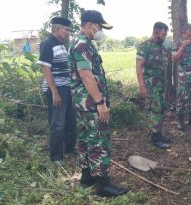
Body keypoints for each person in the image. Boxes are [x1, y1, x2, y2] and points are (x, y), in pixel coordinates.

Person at [68, 10, 127, 197]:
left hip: (83, 103)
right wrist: (100, 102)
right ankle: (103, 185)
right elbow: (86, 75)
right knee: (100, 141)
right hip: (91, 103)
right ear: (90, 24)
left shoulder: (80, 42)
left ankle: (86, 177)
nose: (100, 30)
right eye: (99, 26)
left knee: (86, 139)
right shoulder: (82, 44)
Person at [38, 17, 76, 164]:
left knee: (70, 121)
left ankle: (69, 149)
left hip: (66, 88)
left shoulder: (61, 44)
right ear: (56, 29)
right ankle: (56, 157)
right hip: (56, 89)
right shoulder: (48, 44)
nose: (68, 33)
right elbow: (46, 69)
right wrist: (55, 92)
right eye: (66, 30)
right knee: (57, 123)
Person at [136, 22, 171, 149]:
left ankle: (158, 133)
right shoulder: (145, 46)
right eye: (163, 33)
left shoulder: (162, 47)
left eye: (166, 34)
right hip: (151, 86)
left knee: (161, 109)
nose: (165, 36)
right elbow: (139, 66)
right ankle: (154, 137)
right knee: (155, 110)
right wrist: (141, 86)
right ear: (156, 32)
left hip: (162, 85)